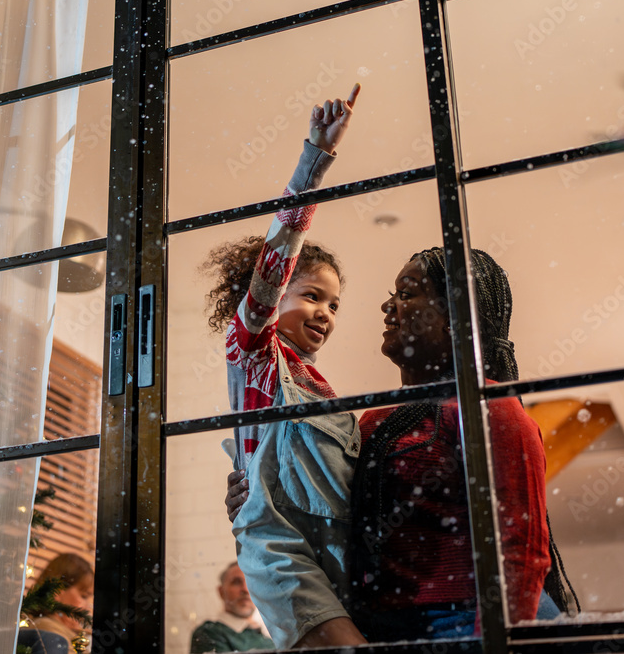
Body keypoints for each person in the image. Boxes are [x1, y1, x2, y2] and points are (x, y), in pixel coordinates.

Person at [226, 248, 577, 641]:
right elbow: (332, 503)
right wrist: (257, 494)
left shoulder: (486, 405)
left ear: (453, 319)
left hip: (467, 621)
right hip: (390, 628)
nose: (387, 306)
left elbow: (519, 547)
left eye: (407, 294)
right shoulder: (373, 420)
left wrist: (496, 638)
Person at [201, 83, 367, 650]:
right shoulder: (254, 355)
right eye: (312, 295)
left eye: (335, 304)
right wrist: (314, 160)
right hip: (281, 552)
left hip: (336, 549)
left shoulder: (321, 389)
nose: (325, 312)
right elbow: (277, 260)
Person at [190, 562, 274, 653]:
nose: (245, 589)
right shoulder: (208, 633)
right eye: (236, 582)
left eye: (251, 582)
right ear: (221, 592)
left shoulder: (268, 636)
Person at [28, 553, 94, 654]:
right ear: (57, 591)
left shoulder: (66, 632)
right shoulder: (47, 628)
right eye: (83, 596)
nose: (87, 607)